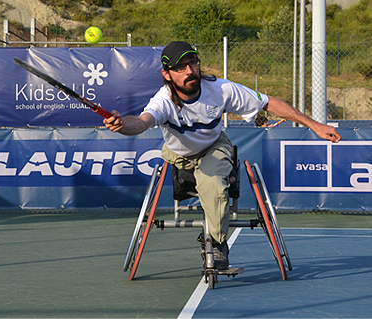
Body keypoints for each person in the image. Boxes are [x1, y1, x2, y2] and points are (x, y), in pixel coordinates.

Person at [104, 41, 341, 270]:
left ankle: (217, 244)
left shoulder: (221, 89)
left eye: (192, 63)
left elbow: (269, 104)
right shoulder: (163, 100)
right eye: (180, 67)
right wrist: (122, 123)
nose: (189, 71)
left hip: (214, 147)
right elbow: (141, 123)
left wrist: (315, 125)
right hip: (177, 155)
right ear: (167, 74)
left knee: (213, 183)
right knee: (198, 173)